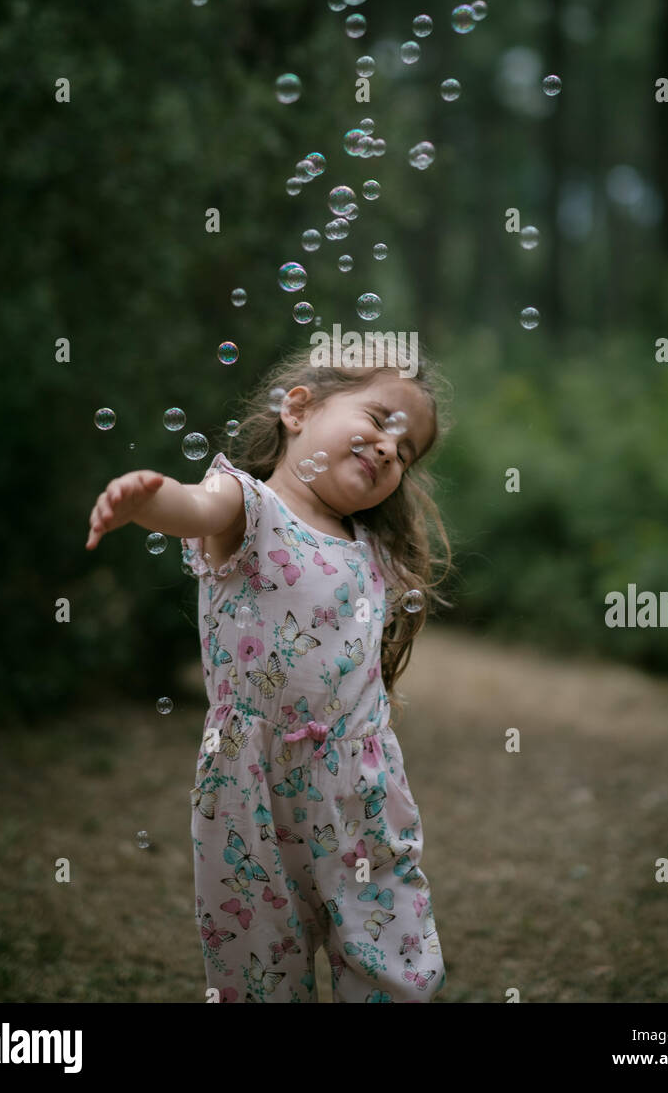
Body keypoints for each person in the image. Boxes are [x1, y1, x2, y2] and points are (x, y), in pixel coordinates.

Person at [85, 346, 453, 1002]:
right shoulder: (247, 505)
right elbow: (193, 508)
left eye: (407, 451)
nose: (390, 450)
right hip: (248, 782)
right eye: (378, 418)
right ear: (298, 407)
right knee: (259, 961)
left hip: (358, 788)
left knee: (388, 945)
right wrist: (149, 498)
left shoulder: (372, 550)